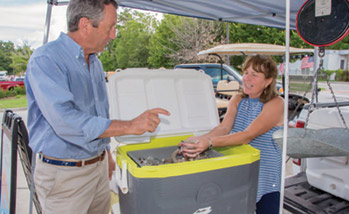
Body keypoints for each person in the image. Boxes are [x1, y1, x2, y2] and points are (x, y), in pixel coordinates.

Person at [24, 0, 170, 213]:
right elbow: (66, 121)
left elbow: (98, 112)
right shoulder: (46, 60)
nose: (113, 35)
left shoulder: (95, 62)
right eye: (109, 27)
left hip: (98, 167)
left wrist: (106, 154)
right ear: (85, 25)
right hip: (64, 176)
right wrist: (129, 126)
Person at [180, 54, 284, 214]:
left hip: (265, 173)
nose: (247, 78)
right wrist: (199, 140)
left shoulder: (276, 104)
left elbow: (247, 135)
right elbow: (224, 128)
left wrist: (209, 142)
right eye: (246, 72)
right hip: (242, 169)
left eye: (254, 75)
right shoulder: (237, 99)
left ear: (268, 81)